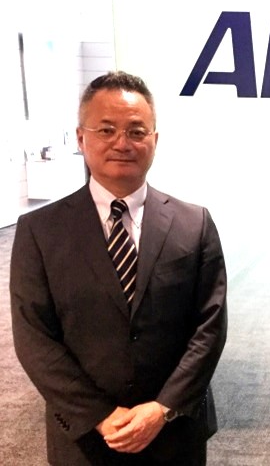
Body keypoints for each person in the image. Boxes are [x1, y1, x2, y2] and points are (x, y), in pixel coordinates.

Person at [10, 71, 228, 465]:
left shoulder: (194, 224)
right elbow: (34, 338)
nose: (122, 143)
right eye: (106, 130)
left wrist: (162, 408)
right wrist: (99, 416)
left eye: (136, 131)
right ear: (81, 138)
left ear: (155, 140)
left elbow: (209, 327)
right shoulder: (40, 231)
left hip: (174, 431)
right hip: (85, 438)